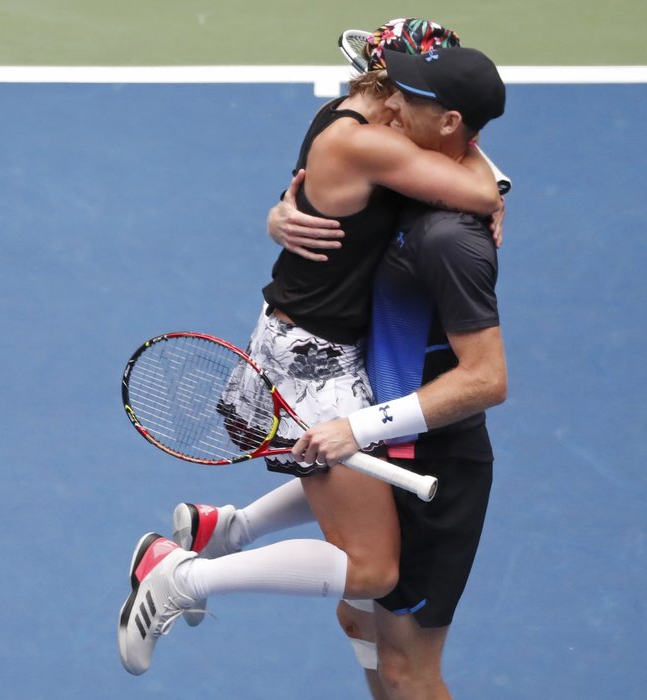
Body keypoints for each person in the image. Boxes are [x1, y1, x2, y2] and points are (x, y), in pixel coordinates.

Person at [118, 19, 501, 677]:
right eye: (401, 90)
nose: (398, 103)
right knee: (373, 568)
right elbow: (479, 188)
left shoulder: (347, 113)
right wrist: (496, 191)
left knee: (341, 471)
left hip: (300, 337)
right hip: (314, 358)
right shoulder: (369, 140)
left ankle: (222, 531)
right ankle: (179, 577)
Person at [294, 46, 508, 698]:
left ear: (447, 123)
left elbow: (487, 378)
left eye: (406, 99)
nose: (387, 106)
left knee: (409, 670)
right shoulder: (404, 173)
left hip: (437, 469)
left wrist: (359, 426)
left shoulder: (450, 238)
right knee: (358, 625)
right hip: (395, 444)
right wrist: (285, 210)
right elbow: (332, 175)